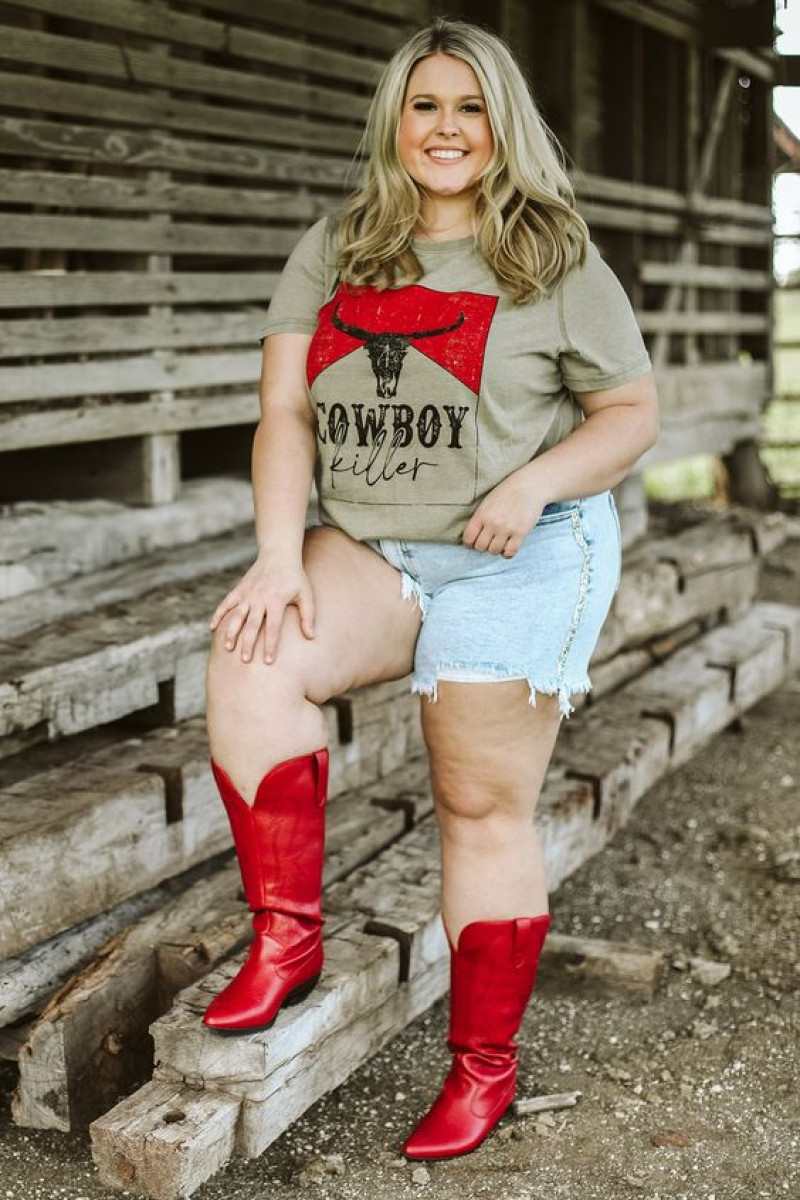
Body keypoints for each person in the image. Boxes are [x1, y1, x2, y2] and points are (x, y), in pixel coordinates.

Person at [202, 15, 659, 1162]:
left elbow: (630, 417)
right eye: (424, 106)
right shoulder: (338, 245)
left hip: (527, 547)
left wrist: (534, 484)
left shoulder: (552, 256)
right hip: (374, 546)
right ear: (393, 122)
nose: (445, 128)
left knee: (474, 799)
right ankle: (285, 941)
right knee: (253, 655)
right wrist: (272, 553)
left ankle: (482, 1072)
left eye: (468, 108)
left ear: (498, 126)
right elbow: (284, 415)